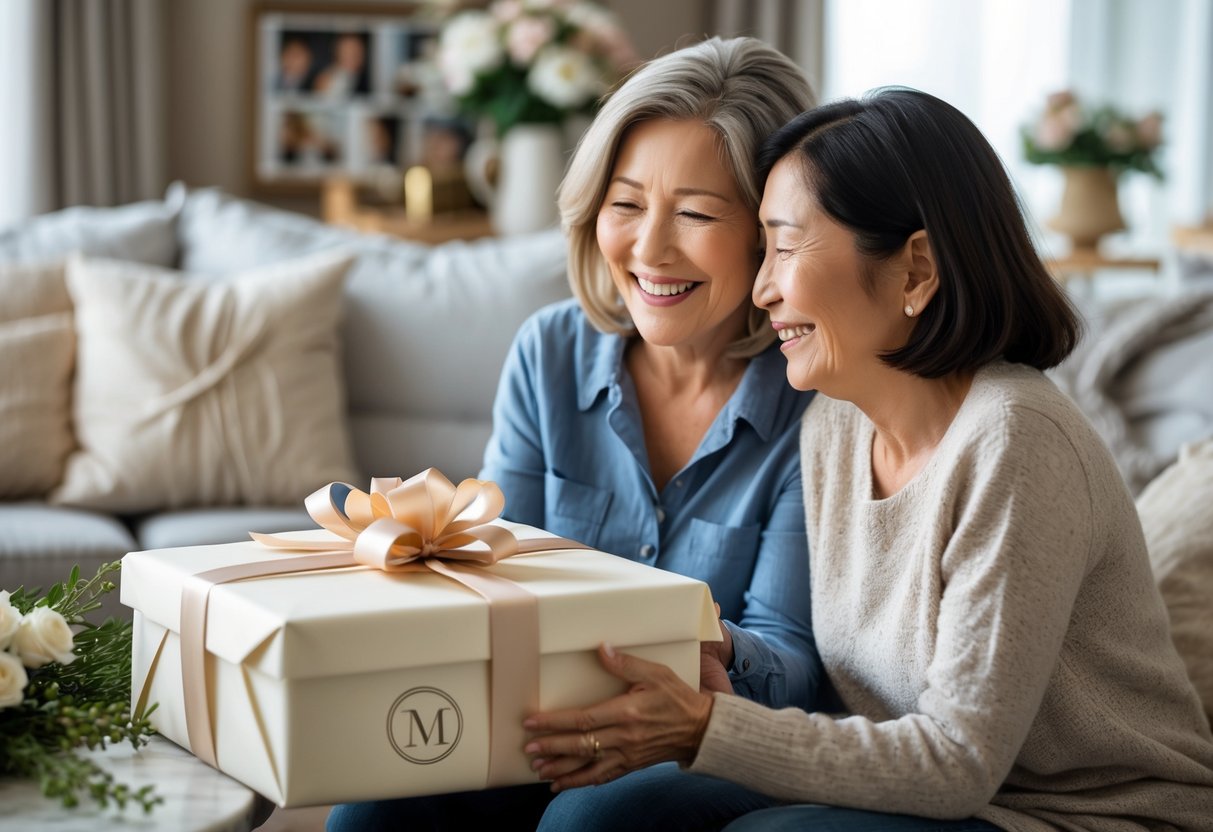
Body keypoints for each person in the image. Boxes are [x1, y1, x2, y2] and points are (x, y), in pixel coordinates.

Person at [524, 88, 1213, 831]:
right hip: (911, 788)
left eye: (783, 248)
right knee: (598, 816)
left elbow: (959, 761)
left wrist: (701, 730)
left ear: (915, 269)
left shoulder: (1015, 441)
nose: (761, 289)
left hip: (1076, 815)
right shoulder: (832, 430)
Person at [326, 37, 822, 832]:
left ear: (770, 235)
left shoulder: (813, 402)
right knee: (370, 815)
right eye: (625, 204)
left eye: (695, 214)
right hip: (543, 712)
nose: (649, 249)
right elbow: (495, 573)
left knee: (589, 824)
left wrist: (693, 645)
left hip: (706, 739)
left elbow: (793, 663)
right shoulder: (549, 352)